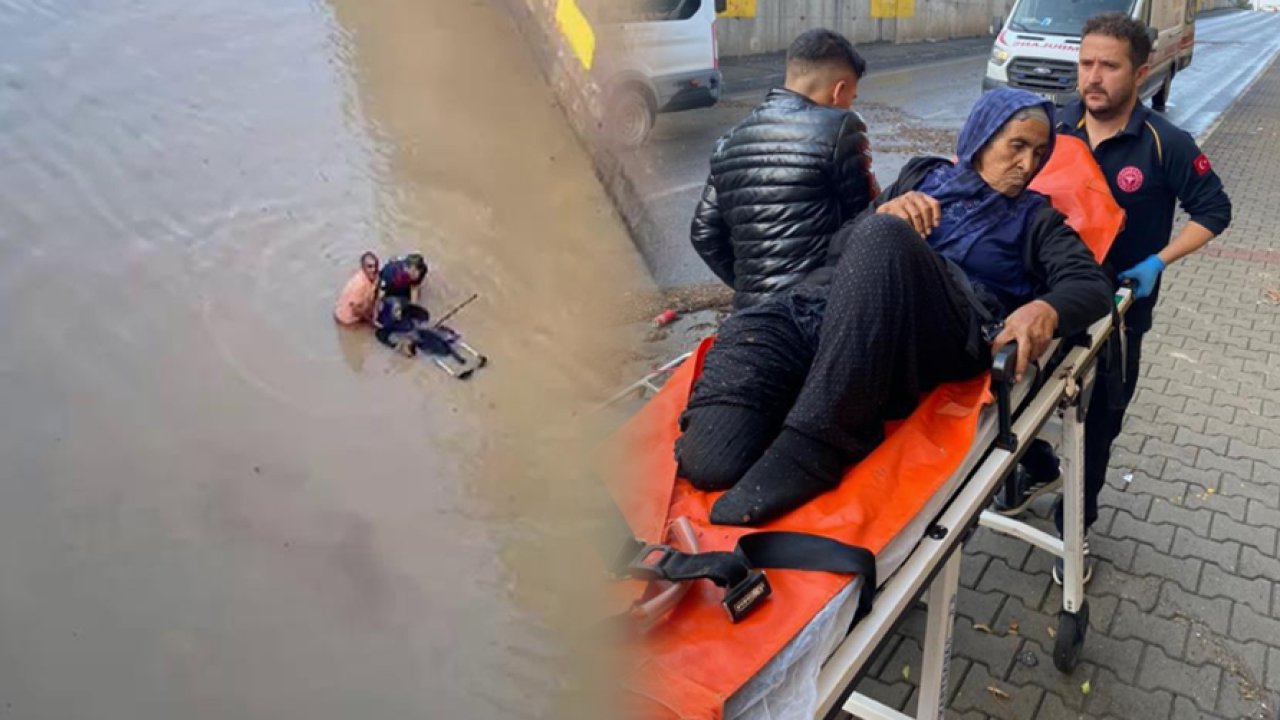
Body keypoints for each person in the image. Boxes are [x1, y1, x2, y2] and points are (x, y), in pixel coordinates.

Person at [673, 89, 1113, 526]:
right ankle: (793, 399)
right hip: (825, 309)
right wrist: (885, 210)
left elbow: (1091, 284)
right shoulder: (921, 175)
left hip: (938, 326)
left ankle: (819, 443)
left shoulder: (1037, 220)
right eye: (1017, 146)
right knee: (711, 459)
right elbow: (839, 248)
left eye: (1039, 152)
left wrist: (1045, 308)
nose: (1028, 165)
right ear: (981, 138)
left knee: (885, 236)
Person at [995, 12, 1232, 585]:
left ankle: (1076, 524)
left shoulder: (1164, 143)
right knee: (1014, 402)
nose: (1092, 77)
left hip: (1119, 319)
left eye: (1108, 65)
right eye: (1085, 63)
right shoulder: (1053, 130)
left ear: (1141, 71)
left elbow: (1215, 212)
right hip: (1047, 305)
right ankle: (1036, 468)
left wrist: (1159, 260)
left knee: (1099, 424)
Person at [689, 28, 877, 310]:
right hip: (819, 312)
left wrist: (752, 288)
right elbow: (868, 223)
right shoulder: (840, 127)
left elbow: (703, 234)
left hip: (754, 319)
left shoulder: (728, 142)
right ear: (838, 91)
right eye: (852, 95)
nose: (850, 104)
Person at [333, 251, 380, 326]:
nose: (374, 269)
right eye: (370, 266)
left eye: (376, 266)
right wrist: (371, 322)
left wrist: (375, 311)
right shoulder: (358, 284)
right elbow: (356, 310)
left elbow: (376, 293)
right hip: (348, 320)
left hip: (363, 309)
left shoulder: (375, 276)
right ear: (363, 267)